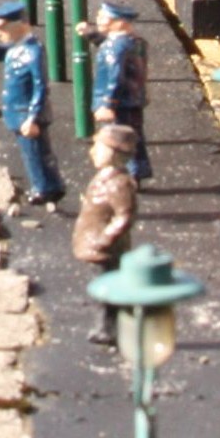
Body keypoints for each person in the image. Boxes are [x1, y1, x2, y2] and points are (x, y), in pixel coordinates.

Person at [0, 0, 65, 208]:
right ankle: (47, 185)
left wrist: (32, 117)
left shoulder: (33, 52)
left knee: (36, 153)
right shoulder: (15, 48)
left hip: (27, 114)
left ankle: (45, 187)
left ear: (20, 26)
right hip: (17, 112)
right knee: (32, 153)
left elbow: (41, 87)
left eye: (1, 29)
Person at [73, 123, 140, 344]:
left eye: (98, 147)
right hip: (96, 242)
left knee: (108, 288)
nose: (92, 151)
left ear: (113, 153)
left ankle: (108, 328)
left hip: (105, 248)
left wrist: (105, 239)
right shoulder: (106, 178)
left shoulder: (118, 184)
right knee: (104, 284)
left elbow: (124, 216)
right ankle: (108, 322)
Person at [78, 0, 152, 181]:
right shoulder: (132, 41)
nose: (99, 20)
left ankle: (129, 172)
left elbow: (115, 77)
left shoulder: (116, 48)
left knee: (118, 137)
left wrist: (107, 104)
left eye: (105, 18)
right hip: (132, 98)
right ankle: (138, 169)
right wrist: (92, 34)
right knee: (133, 134)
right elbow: (107, 41)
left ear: (119, 23)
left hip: (120, 101)